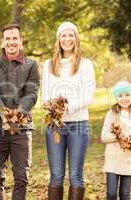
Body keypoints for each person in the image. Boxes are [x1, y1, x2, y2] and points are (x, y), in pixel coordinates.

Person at [0, 24, 40, 200]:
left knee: (21, 177)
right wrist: (4, 112)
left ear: (21, 41)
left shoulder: (31, 65)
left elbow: (32, 93)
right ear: (3, 41)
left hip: (22, 128)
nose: (11, 42)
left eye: (15, 38)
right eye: (8, 38)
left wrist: (17, 113)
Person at [42, 21, 96, 199]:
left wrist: (66, 106)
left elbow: (88, 96)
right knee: (56, 176)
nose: (67, 39)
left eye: (70, 35)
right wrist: (55, 110)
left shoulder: (85, 64)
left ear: (76, 38)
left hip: (79, 125)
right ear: (58, 40)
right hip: (55, 126)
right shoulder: (48, 65)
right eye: (63, 35)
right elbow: (45, 96)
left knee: (75, 177)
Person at [101, 81, 131, 200]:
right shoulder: (111, 114)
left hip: (129, 158)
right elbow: (104, 137)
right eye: (120, 96)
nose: (124, 98)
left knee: (125, 194)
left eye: (127, 95)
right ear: (116, 97)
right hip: (113, 158)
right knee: (111, 193)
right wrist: (119, 135)